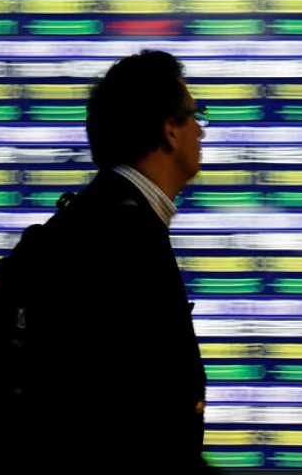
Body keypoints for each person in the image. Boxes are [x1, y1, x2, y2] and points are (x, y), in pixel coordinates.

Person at [27, 49, 211, 472]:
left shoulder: (86, 220)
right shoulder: (127, 240)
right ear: (170, 128)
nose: (201, 131)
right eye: (195, 116)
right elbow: (143, 424)